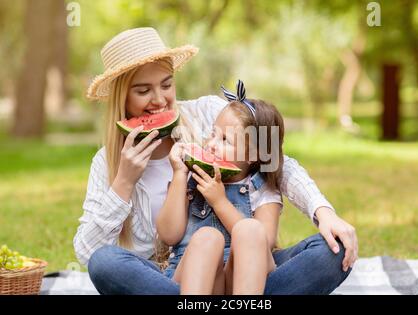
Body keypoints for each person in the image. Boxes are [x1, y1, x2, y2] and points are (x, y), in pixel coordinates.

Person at [75, 27, 357, 295]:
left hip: (249, 268)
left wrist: (324, 212)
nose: (159, 100)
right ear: (121, 97)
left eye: (167, 84)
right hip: (175, 274)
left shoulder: (209, 112)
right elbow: (89, 255)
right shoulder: (107, 162)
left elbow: (274, 157)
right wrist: (124, 182)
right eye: (143, 90)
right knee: (105, 262)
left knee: (334, 249)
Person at [158, 80, 285, 294]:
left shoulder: (262, 190)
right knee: (208, 237)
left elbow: (266, 241)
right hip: (193, 276)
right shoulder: (192, 178)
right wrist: (180, 174)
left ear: (254, 154)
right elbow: (169, 235)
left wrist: (220, 202)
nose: (211, 144)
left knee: (252, 229)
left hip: (244, 279)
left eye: (225, 140)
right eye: (213, 134)